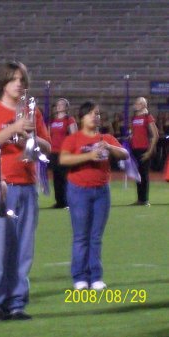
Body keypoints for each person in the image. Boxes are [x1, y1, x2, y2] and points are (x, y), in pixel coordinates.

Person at [0, 61, 51, 321]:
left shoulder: (33, 112)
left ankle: (17, 302)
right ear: (3, 82)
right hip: (0, 185)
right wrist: (14, 129)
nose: (19, 83)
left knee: (23, 249)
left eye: (22, 79)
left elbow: (47, 147)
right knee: (0, 248)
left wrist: (32, 137)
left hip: (27, 184)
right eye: (14, 79)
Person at [60, 101, 128, 290]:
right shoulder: (73, 139)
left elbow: (124, 154)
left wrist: (109, 147)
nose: (95, 116)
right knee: (81, 236)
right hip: (79, 190)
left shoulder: (105, 137)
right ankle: (80, 277)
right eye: (91, 113)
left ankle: (96, 276)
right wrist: (89, 156)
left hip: (101, 191)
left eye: (97, 113)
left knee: (96, 236)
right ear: (82, 117)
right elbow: (64, 159)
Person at [129, 97, 159, 206]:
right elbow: (134, 132)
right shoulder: (134, 117)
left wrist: (149, 152)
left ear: (143, 104)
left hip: (144, 148)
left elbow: (155, 135)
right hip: (135, 149)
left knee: (144, 174)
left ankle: (145, 200)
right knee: (138, 175)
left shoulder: (148, 117)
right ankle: (140, 199)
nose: (135, 104)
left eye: (137, 103)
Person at [49, 98, 78, 208]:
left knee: (65, 177)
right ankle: (59, 201)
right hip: (54, 152)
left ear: (66, 107)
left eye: (61, 104)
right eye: (57, 104)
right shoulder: (53, 121)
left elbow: (74, 135)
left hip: (64, 152)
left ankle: (68, 201)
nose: (59, 106)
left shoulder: (69, 120)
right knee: (56, 177)